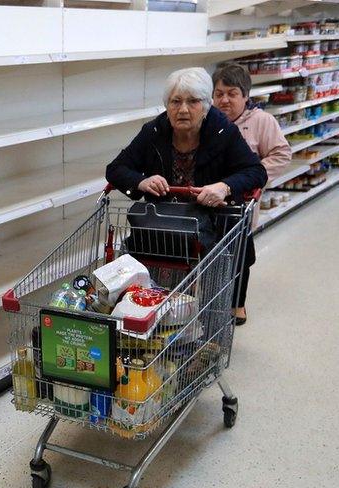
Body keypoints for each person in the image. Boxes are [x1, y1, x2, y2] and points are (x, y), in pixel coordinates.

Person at [105, 67, 267, 325]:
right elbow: (115, 169)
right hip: (164, 225)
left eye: (193, 101)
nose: (183, 109)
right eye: (175, 101)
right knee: (152, 280)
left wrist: (223, 187)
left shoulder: (223, 132)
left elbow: (255, 171)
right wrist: (142, 181)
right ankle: (157, 330)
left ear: (206, 106)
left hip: (213, 223)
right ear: (167, 105)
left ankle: (210, 337)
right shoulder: (154, 132)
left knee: (216, 277)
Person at [213, 62, 292, 325]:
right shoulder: (208, 120)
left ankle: (237, 304)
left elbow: (281, 155)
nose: (224, 100)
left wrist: (252, 174)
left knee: (240, 255)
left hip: (242, 202)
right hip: (209, 199)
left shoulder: (261, 121)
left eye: (232, 93)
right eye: (219, 93)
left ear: (245, 96)